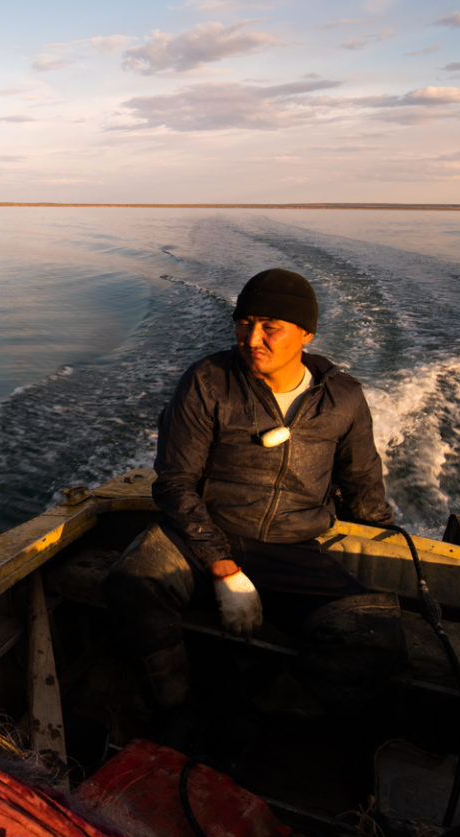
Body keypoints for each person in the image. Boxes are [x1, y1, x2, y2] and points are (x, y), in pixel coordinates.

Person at [105, 268, 398, 711]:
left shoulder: (344, 400)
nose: (252, 337)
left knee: (375, 636)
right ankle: (173, 710)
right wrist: (222, 566)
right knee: (133, 581)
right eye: (244, 323)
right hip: (204, 534)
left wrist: (386, 542)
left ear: (306, 334)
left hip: (294, 546)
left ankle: (268, 716)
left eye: (270, 328)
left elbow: (363, 485)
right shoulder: (208, 381)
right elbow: (175, 482)